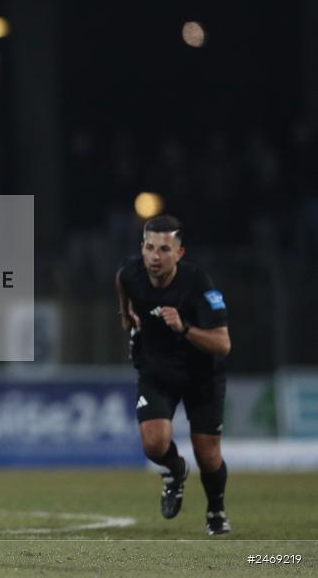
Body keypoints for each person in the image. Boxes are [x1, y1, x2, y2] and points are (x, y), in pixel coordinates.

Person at [115, 215, 232, 535]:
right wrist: (127, 317)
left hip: (202, 376)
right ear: (142, 248)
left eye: (164, 249)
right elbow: (122, 285)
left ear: (178, 253)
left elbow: (223, 344)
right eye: (150, 247)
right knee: (153, 444)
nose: (155, 256)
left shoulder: (199, 285)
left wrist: (185, 328)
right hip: (156, 372)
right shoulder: (131, 274)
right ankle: (175, 470)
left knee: (208, 455)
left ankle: (215, 511)